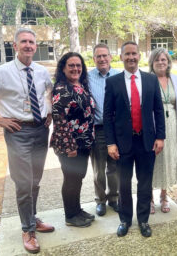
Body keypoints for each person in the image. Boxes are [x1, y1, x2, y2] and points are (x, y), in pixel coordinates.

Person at [0, 28, 54, 254]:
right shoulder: (2, 73)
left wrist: (50, 111)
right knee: (23, 183)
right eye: (23, 41)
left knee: (34, 181)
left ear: (36, 46)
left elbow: (50, 93)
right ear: (15, 46)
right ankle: (28, 230)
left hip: (40, 131)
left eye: (31, 42)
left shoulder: (42, 71)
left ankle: (32, 219)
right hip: (18, 133)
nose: (28, 45)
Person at [103, 41, 165, 237]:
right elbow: (107, 115)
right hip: (123, 144)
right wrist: (110, 143)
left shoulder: (150, 80)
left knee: (145, 183)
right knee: (124, 184)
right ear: (121, 57)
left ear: (140, 56)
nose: (131, 57)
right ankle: (125, 219)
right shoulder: (113, 82)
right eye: (127, 54)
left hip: (146, 141)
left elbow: (158, 110)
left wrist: (160, 137)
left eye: (134, 54)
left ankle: (144, 220)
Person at [50, 52, 96, 228]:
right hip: (70, 144)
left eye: (79, 65)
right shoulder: (62, 89)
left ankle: (77, 210)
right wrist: (70, 146)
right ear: (63, 68)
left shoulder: (80, 86)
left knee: (78, 177)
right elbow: (60, 119)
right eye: (71, 65)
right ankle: (70, 215)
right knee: (71, 178)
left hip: (83, 142)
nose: (76, 68)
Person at [88, 44, 120, 216]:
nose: (102, 59)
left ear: (111, 57)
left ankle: (114, 198)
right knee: (99, 168)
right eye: (98, 56)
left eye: (105, 55)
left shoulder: (119, 76)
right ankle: (100, 200)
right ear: (94, 59)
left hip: (116, 129)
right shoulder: (87, 78)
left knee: (114, 167)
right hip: (98, 128)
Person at [148, 48, 177, 214]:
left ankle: (164, 195)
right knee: (153, 160)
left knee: (167, 160)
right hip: (154, 124)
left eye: (164, 60)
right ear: (152, 63)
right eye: (157, 60)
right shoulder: (148, 79)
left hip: (172, 123)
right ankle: (150, 198)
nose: (161, 63)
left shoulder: (174, 79)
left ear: (168, 62)